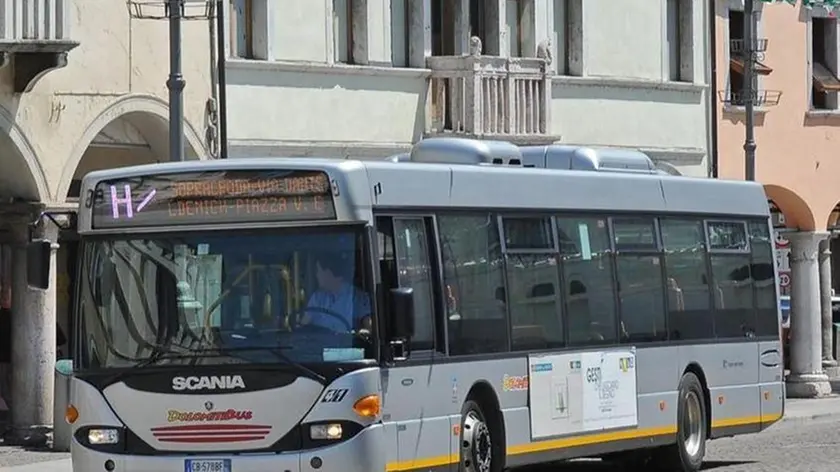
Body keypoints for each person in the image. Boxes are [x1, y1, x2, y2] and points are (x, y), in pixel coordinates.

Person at [300, 253, 371, 333]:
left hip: (346, 344)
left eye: (318, 271)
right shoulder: (317, 298)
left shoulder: (357, 298)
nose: (317, 275)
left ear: (328, 272)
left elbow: (368, 329)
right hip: (318, 344)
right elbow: (304, 326)